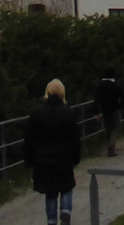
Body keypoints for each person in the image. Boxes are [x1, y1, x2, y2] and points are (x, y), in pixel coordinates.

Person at [26, 78, 81, 225]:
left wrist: (29, 160)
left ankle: (51, 220)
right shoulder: (69, 113)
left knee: (50, 191)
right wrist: (75, 158)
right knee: (66, 186)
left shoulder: (36, 113)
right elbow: (75, 139)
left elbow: (28, 139)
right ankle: (66, 211)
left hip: (43, 159)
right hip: (63, 157)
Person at [93, 65, 124, 156]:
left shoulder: (100, 85)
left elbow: (96, 99)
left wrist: (96, 112)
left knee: (108, 128)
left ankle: (110, 146)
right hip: (114, 109)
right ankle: (111, 147)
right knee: (116, 127)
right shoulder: (115, 85)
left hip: (104, 110)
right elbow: (122, 96)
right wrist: (121, 106)